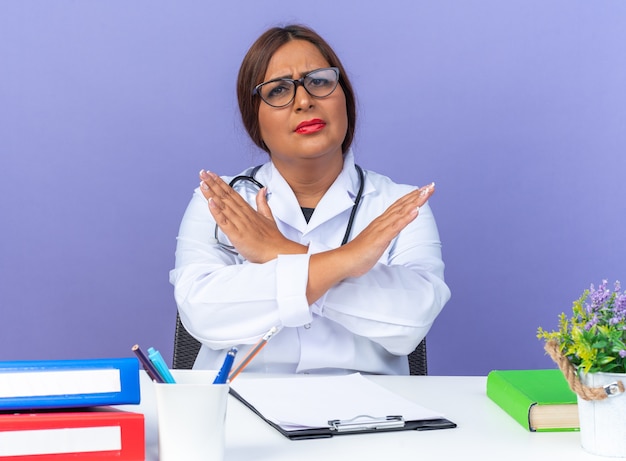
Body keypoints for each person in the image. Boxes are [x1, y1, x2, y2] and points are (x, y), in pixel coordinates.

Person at [169, 24, 451, 375]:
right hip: (240, 408)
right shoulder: (220, 201)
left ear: (343, 96)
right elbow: (205, 312)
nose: (304, 100)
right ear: (253, 117)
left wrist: (278, 251)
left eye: (319, 81)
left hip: (371, 415)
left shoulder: (401, 205)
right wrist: (348, 260)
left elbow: (411, 320)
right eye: (278, 90)